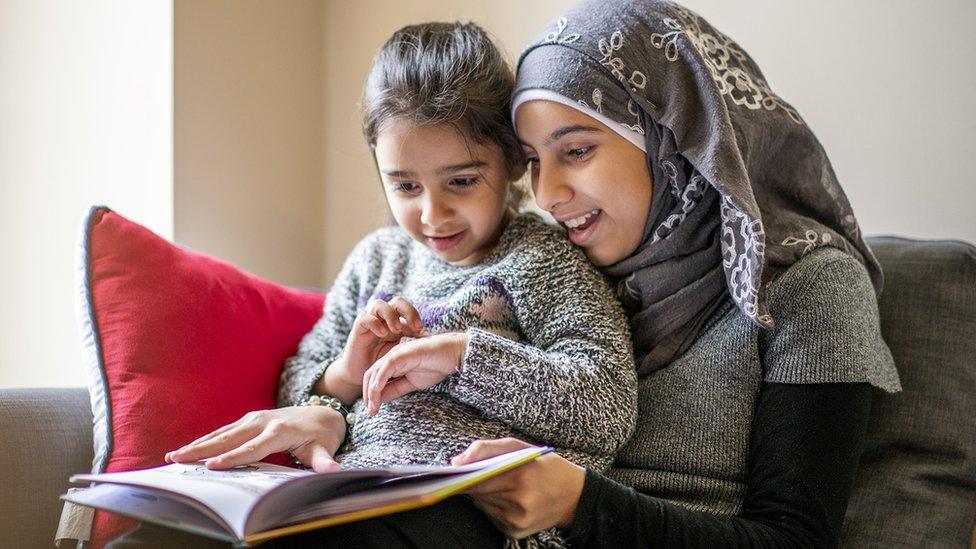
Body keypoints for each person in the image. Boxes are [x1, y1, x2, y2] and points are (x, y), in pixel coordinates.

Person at [108, 21, 637, 548]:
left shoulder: (545, 260)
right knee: (154, 539)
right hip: (347, 493)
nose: (433, 213)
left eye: (461, 181)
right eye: (405, 185)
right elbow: (298, 377)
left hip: (468, 510)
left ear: (513, 162)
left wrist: (462, 358)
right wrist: (345, 374)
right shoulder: (375, 260)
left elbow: (608, 408)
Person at [448, 0, 902, 546]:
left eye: (576, 150)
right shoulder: (559, 270)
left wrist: (580, 504)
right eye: (535, 162)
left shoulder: (812, 288)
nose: (547, 196)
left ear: (674, 138)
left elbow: (796, 539)